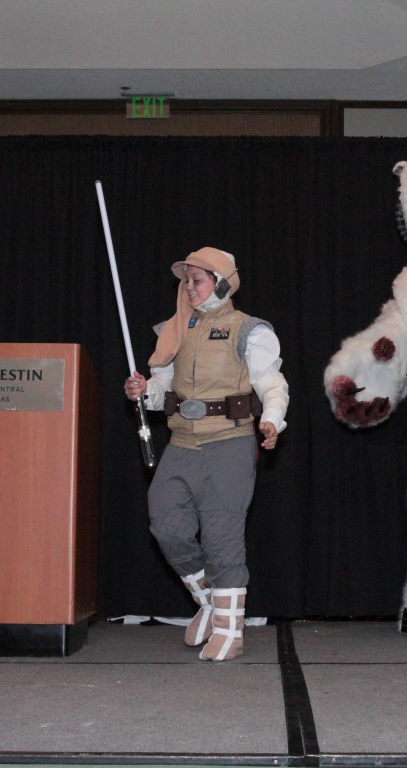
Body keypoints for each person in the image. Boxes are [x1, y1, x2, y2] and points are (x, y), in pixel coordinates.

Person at [123, 247, 288, 661]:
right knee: (166, 524)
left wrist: (272, 420)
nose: (189, 288)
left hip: (229, 443)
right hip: (181, 443)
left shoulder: (249, 330)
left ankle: (231, 631)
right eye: (186, 281)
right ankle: (210, 603)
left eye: (197, 280)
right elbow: (162, 390)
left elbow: (273, 384)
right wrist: (145, 391)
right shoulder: (175, 329)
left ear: (222, 284)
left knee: (221, 537)